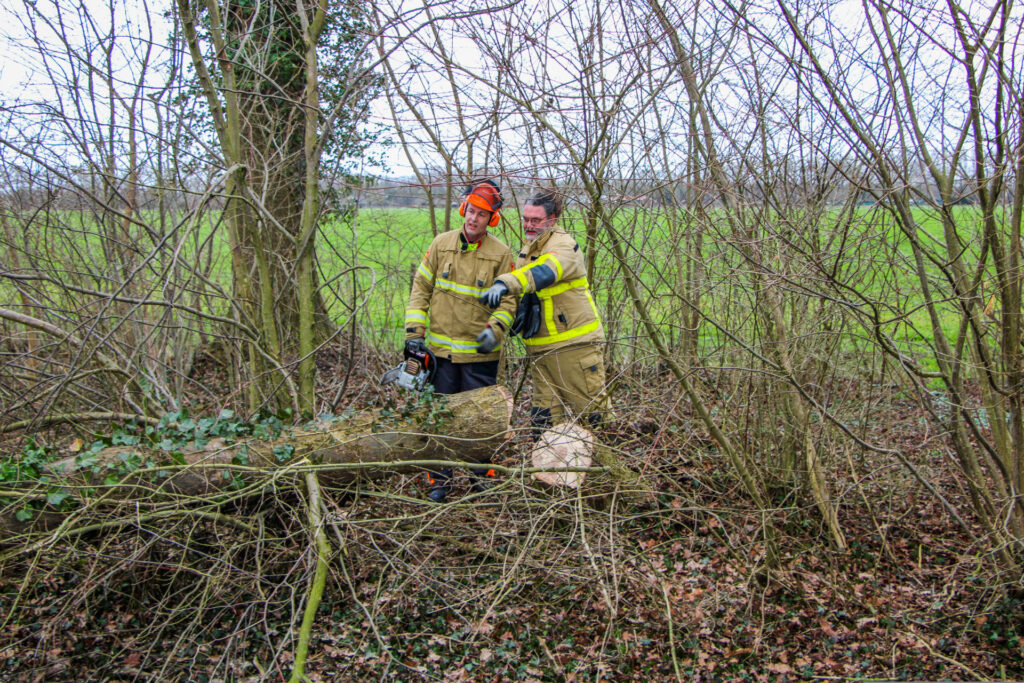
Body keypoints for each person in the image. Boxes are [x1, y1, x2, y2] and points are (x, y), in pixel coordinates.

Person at [404, 179, 517, 502]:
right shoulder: (441, 245)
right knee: (439, 414)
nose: (473, 218)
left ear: (492, 219)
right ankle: (439, 480)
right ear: (463, 209)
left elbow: (509, 302)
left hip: (480, 356)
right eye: (470, 211)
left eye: (481, 214)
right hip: (440, 353)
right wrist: (414, 334)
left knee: (480, 419)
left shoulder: (500, 253)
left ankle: (482, 476)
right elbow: (420, 289)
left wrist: (495, 330)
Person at [479, 188, 610, 436]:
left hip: (574, 347)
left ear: (553, 218)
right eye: (525, 219)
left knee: (592, 415)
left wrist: (505, 282)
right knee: (544, 420)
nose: (528, 225)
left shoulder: (564, 246)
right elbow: (517, 298)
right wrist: (495, 329)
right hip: (541, 349)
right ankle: (545, 461)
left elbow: (543, 272)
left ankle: (605, 459)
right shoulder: (529, 249)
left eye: (535, 220)